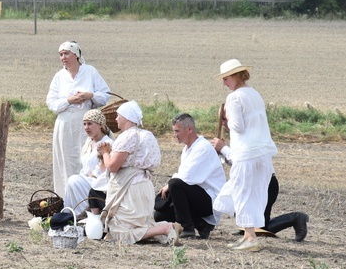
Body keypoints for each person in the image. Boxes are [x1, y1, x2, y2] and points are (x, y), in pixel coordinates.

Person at [212, 59, 277, 252]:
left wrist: (228, 120)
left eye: (226, 78)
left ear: (236, 76)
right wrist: (229, 123)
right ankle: (249, 235)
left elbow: (238, 126)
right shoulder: (254, 94)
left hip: (246, 154)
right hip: (262, 152)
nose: (224, 83)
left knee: (242, 193)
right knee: (251, 193)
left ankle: (250, 238)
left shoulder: (234, 97)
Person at [96, 101, 181, 245]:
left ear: (127, 117)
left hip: (130, 189)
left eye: (118, 116)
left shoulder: (127, 136)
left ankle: (165, 228)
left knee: (119, 233)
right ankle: (168, 227)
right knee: (139, 225)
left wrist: (105, 153)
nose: (116, 119)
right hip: (144, 185)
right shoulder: (148, 135)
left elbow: (112, 166)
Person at [212, 137, 309, 241]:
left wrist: (223, 149)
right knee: (251, 221)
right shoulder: (241, 136)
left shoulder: (252, 135)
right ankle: (245, 230)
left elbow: (243, 161)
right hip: (255, 183)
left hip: (264, 184)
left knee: (260, 228)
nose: (224, 122)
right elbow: (239, 165)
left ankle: (295, 218)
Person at [46, 41, 110, 198]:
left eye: (66, 53)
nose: (63, 57)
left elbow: (105, 95)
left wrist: (90, 95)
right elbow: (51, 103)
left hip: (86, 123)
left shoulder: (90, 71)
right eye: (61, 54)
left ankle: (88, 199)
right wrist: (69, 100)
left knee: (86, 159)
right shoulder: (59, 77)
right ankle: (65, 199)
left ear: (76, 55)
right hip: (65, 124)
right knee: (65, 161)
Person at [153, 113, 226, 239]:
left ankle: (187, 228)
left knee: (175, 184)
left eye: (177, 131)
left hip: (211, 199)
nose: (174, 135)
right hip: (197, 195)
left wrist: (169, 185)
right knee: (160, 216)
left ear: (189, 129)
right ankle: (201, 224)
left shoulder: (203, 147)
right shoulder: (187, 149)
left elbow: (187, 176)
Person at [63, 109, 114, 217]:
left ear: (100, 125)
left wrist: (84, 178)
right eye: (84, 124)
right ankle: (69, 213)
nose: (86, 127)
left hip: (100, 184)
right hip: (88, 180)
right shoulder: (89, 143)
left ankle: (81, 213)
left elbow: (104, 168)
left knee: (73, 180)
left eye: (90, 124)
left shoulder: (107, 143)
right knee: (72, 181)